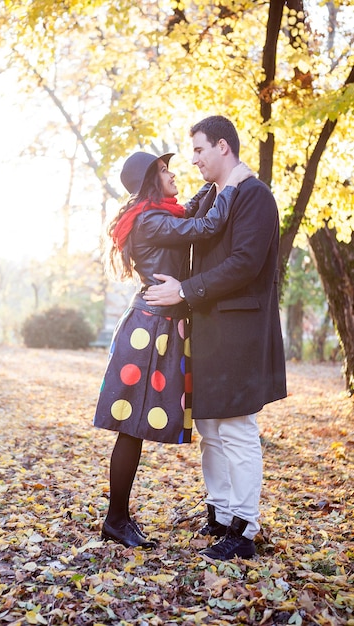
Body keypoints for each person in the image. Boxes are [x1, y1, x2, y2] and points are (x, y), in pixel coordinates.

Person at [94, 149, 253, 549]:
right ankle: (116, 519)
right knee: (130, 428)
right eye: (164, 171)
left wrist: (210, 183)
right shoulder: (151, 221)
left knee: (134, 427)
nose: (173, 173)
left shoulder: (160, 215)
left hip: (160, 326)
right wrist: (231, 183)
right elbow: (207, 225)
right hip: (148, 329)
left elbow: (190, 211)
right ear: (151, 182)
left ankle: (118, 518)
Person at [144, 115, 287, 561]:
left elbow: (244, 262)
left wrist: (185, 291)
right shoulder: (209, 196)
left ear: (224, 147)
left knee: (238, 428)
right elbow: (186, 236)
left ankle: (245, 529)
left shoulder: (255, 196)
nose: (194, 160)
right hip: (205, 327)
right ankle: (221, 514)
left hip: (240, 330)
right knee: (209, 427)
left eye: (201, 150)